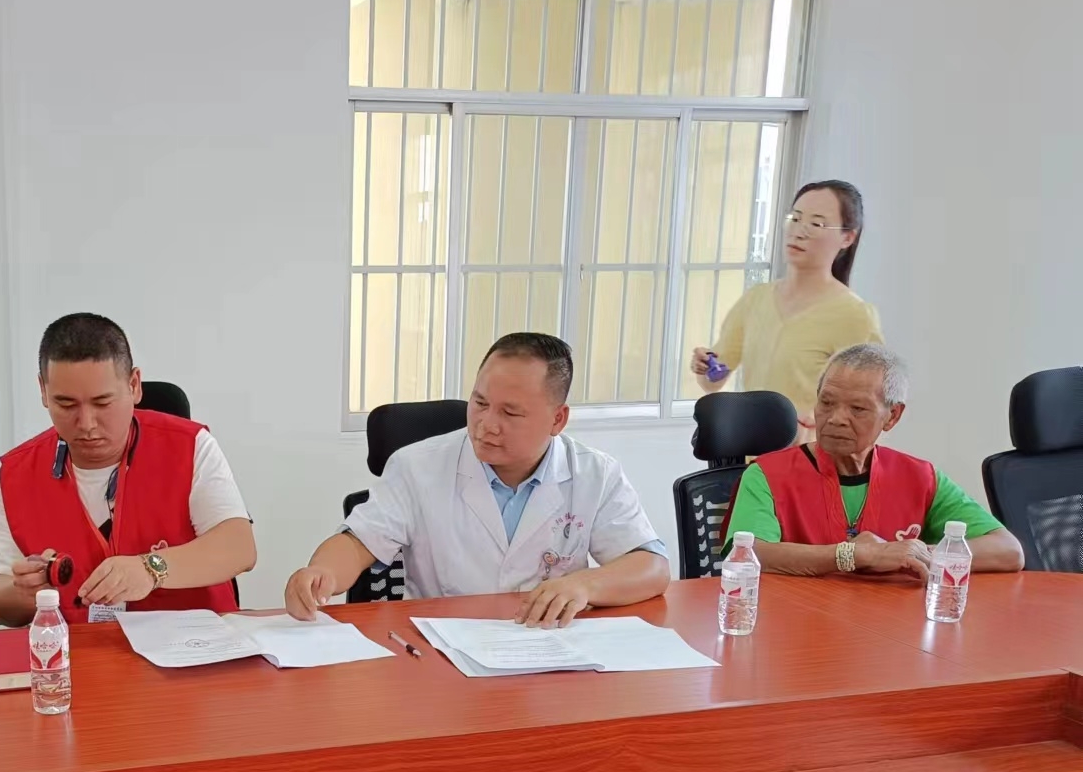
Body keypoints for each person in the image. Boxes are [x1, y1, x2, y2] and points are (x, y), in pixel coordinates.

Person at [284, 332, 671, 628]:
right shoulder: (418, 467)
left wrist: (585, 585)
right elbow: (357, 543)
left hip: (549, 651)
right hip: (440, 653)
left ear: (558, 419)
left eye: (510, 413)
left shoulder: (594, 473)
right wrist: (321, 573)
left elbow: (652, 567)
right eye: (480, 403)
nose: (487, 425)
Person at [0, 313, 256, 627]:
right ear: (43, 391)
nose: (86, 424)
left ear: (134, 385)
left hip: (194, 643)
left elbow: (239, 547)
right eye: (66, 404)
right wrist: (24, 593)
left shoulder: (190, 446)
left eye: (102, 403)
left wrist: (152, 568)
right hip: (82, 650)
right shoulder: (15, 474)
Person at [724, 344, 1023, 577]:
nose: (836, 419)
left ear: (892, 416)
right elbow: (751, 553)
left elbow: (1007, 550)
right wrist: (856, 555)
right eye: (826, 402)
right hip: (800, 623)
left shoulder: (920, 477)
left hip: (889, 625)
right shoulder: (767, 475)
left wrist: (914, 554)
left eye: (857, 409)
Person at [692, 180, 882, 439]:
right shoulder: (756, 300)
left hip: (809, 458)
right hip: (751, 454)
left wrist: (817, 422)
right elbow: (713, 381)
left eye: (817, 224)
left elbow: (869, 409)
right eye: (795, 218)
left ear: (847, 237)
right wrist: (704, 366)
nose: (799, 231)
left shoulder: (855, 316)